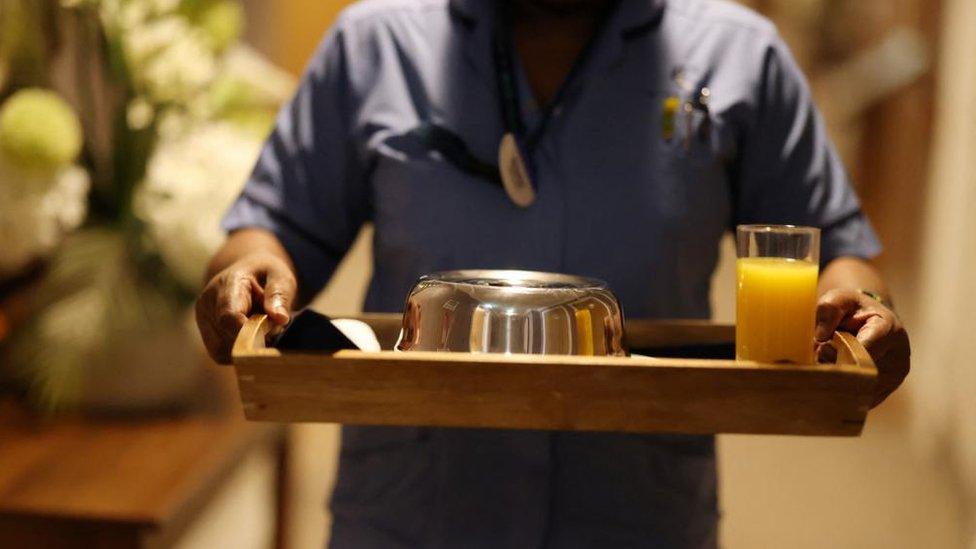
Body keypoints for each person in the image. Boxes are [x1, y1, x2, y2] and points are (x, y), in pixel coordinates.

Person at [195, 0, 911, 546]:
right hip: (410, 518)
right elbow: (270, 231)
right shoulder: (375, 45)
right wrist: (246, 271)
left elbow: (838, 256)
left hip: (638, 517)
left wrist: (862, 306)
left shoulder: (738, 56)